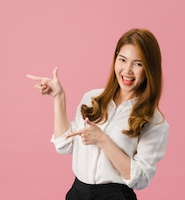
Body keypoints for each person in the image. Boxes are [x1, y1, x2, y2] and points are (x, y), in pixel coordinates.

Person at [27, 28, 169, 200]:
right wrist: (59, 97)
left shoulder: (154, 120)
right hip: (77, 193)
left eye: (138, 64)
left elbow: (140, 178)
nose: (127, 70)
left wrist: (102, 140)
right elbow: (64, 145)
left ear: (149, 68)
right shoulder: (92, 98)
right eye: (122, 60)